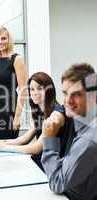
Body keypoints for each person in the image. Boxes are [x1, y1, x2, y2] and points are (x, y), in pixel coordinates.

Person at [41, 63, 97, 199]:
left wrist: (49, 138)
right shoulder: (85, 125)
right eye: (65, 93)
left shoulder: (88, 140)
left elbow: (57, 182)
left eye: (76, 94)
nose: (67, 100)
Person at [0, 72, 73, 160]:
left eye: (39, 88)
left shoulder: (56, 115)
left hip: (51, 164)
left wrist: (4, 147)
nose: (35, 93)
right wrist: (2, 142)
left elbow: (36, 148)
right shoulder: (40, 112)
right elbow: (24, 139)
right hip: (42, 160)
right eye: (32, 89)